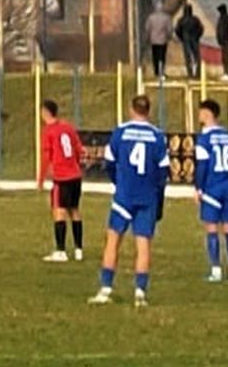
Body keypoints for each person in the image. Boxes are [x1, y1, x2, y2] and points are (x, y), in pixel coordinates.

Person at [88, 94, 169, 307]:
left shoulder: (120, 133)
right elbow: (163, 172)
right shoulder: (158, 136)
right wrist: (156, 195)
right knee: (143, 245)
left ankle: (106, 288)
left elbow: (110, 164)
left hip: (124, 195)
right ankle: (140, 292)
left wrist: (120, 183)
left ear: (131, 109)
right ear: (148, 111)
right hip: (147, 196)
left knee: (113, 240)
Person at [194, 99, 228, 282]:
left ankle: (216, 271)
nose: (199, 115)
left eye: (201, 112)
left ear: (208, 113)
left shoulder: (204, 139)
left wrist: (199, 188)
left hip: (212, 188)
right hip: (227, 186)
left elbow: (202, 166)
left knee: (211, 228)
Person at [37, 99, 85, 262]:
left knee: (59, 210)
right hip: (75, 176)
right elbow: (79, 150)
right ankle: (79, 250)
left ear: (45, 112)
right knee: (75, 211)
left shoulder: (49, 131)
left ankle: (61, 251)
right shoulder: (68, 127)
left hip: (61, 177)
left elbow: (46, 157)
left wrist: (41, 179)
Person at [176, 4, 203, 80]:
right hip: (195, 39)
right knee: (196, 57)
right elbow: (201, 29)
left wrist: (181, 38)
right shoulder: (195, 19)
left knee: (188, 57)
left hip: (186, 40)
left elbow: (177, 30)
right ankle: (197, 73)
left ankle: (190, 73)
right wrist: (197, 36)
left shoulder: (181, 20)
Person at [144, 4, 172, 78]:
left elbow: (147, 28)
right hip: (163, 40)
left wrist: (147, 37)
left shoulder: (151, 17)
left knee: (155, 55)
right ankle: (161, 71)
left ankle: (156, 71)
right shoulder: (166, 17)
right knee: (162, 56)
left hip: (153, 40)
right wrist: (169, 36)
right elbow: (169, 29)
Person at [216, 4, 228, 81]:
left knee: (227, 58)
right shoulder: (221, 18)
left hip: (227, 41)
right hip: (223, 41)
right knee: (224, 58)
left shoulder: (227, 18)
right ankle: (226, 73)